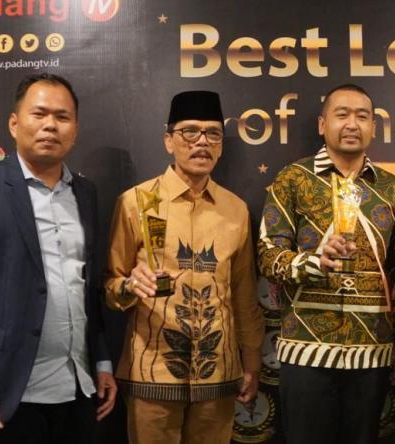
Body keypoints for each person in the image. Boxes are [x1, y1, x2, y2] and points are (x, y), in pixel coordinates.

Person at [0, 73, 117, 443]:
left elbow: (87, 287)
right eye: (39, 114)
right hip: (4, 395)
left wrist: (102, 360)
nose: (50, 125)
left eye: (62, 117)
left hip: (79, 391)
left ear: (75, 129)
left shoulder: (85, 193)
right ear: (14, 124)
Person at [104, 90, 264, 443]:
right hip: (152, 374)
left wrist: (252, 361)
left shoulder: (235, 210)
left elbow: (244, 294)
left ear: (221, 146)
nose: (202, 142)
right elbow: (110, 287)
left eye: (213, 133)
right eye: (190, 131)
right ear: (169, 140)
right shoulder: (136, 202)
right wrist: (130, 286)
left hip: (218, 374)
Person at [257, 84, 395, 444]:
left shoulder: (393, 189)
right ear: (322, 124)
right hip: (306, 348)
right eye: (342, 115)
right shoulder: (293, 178)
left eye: (362, 116)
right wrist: (314, 263)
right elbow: (267, 254)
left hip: (372, 349)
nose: (352, 124)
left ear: (374, 127)